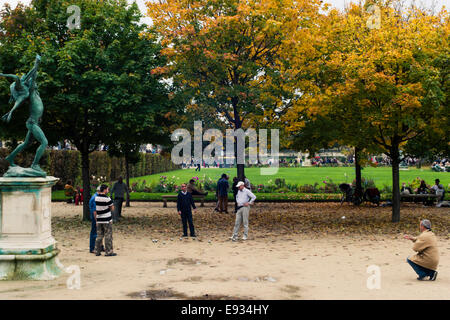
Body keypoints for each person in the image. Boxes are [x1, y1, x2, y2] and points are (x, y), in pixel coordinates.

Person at [0, 54, 47, 174]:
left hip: (35, 123)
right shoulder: (31, 91)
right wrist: (36, 64)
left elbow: (32, 76)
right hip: (32, 123)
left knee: (26, 143)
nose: (34, 83)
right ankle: (35, 165)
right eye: (32, 82)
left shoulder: (37, 94)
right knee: (44, 142)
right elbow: (33, 75)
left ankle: (10, 157)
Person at [94, 184, 116, 256]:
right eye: (107, 189)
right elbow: (112, 208)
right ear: (105, 190)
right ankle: (108, 251)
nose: (108, 190)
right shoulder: (107, 199)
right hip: (107, 219)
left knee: (99, 235)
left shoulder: (96, 198)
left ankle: (97, 250)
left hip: (99, 218)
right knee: (108, 235)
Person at [89, 186, 103, 254]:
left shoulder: (95, 196)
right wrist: (97, 220)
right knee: (94, 232)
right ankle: (92, 248)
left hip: (96, 216)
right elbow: (94, 211)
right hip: (95, 217)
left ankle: (99, 246)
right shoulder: (95, 198)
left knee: (98, 232)